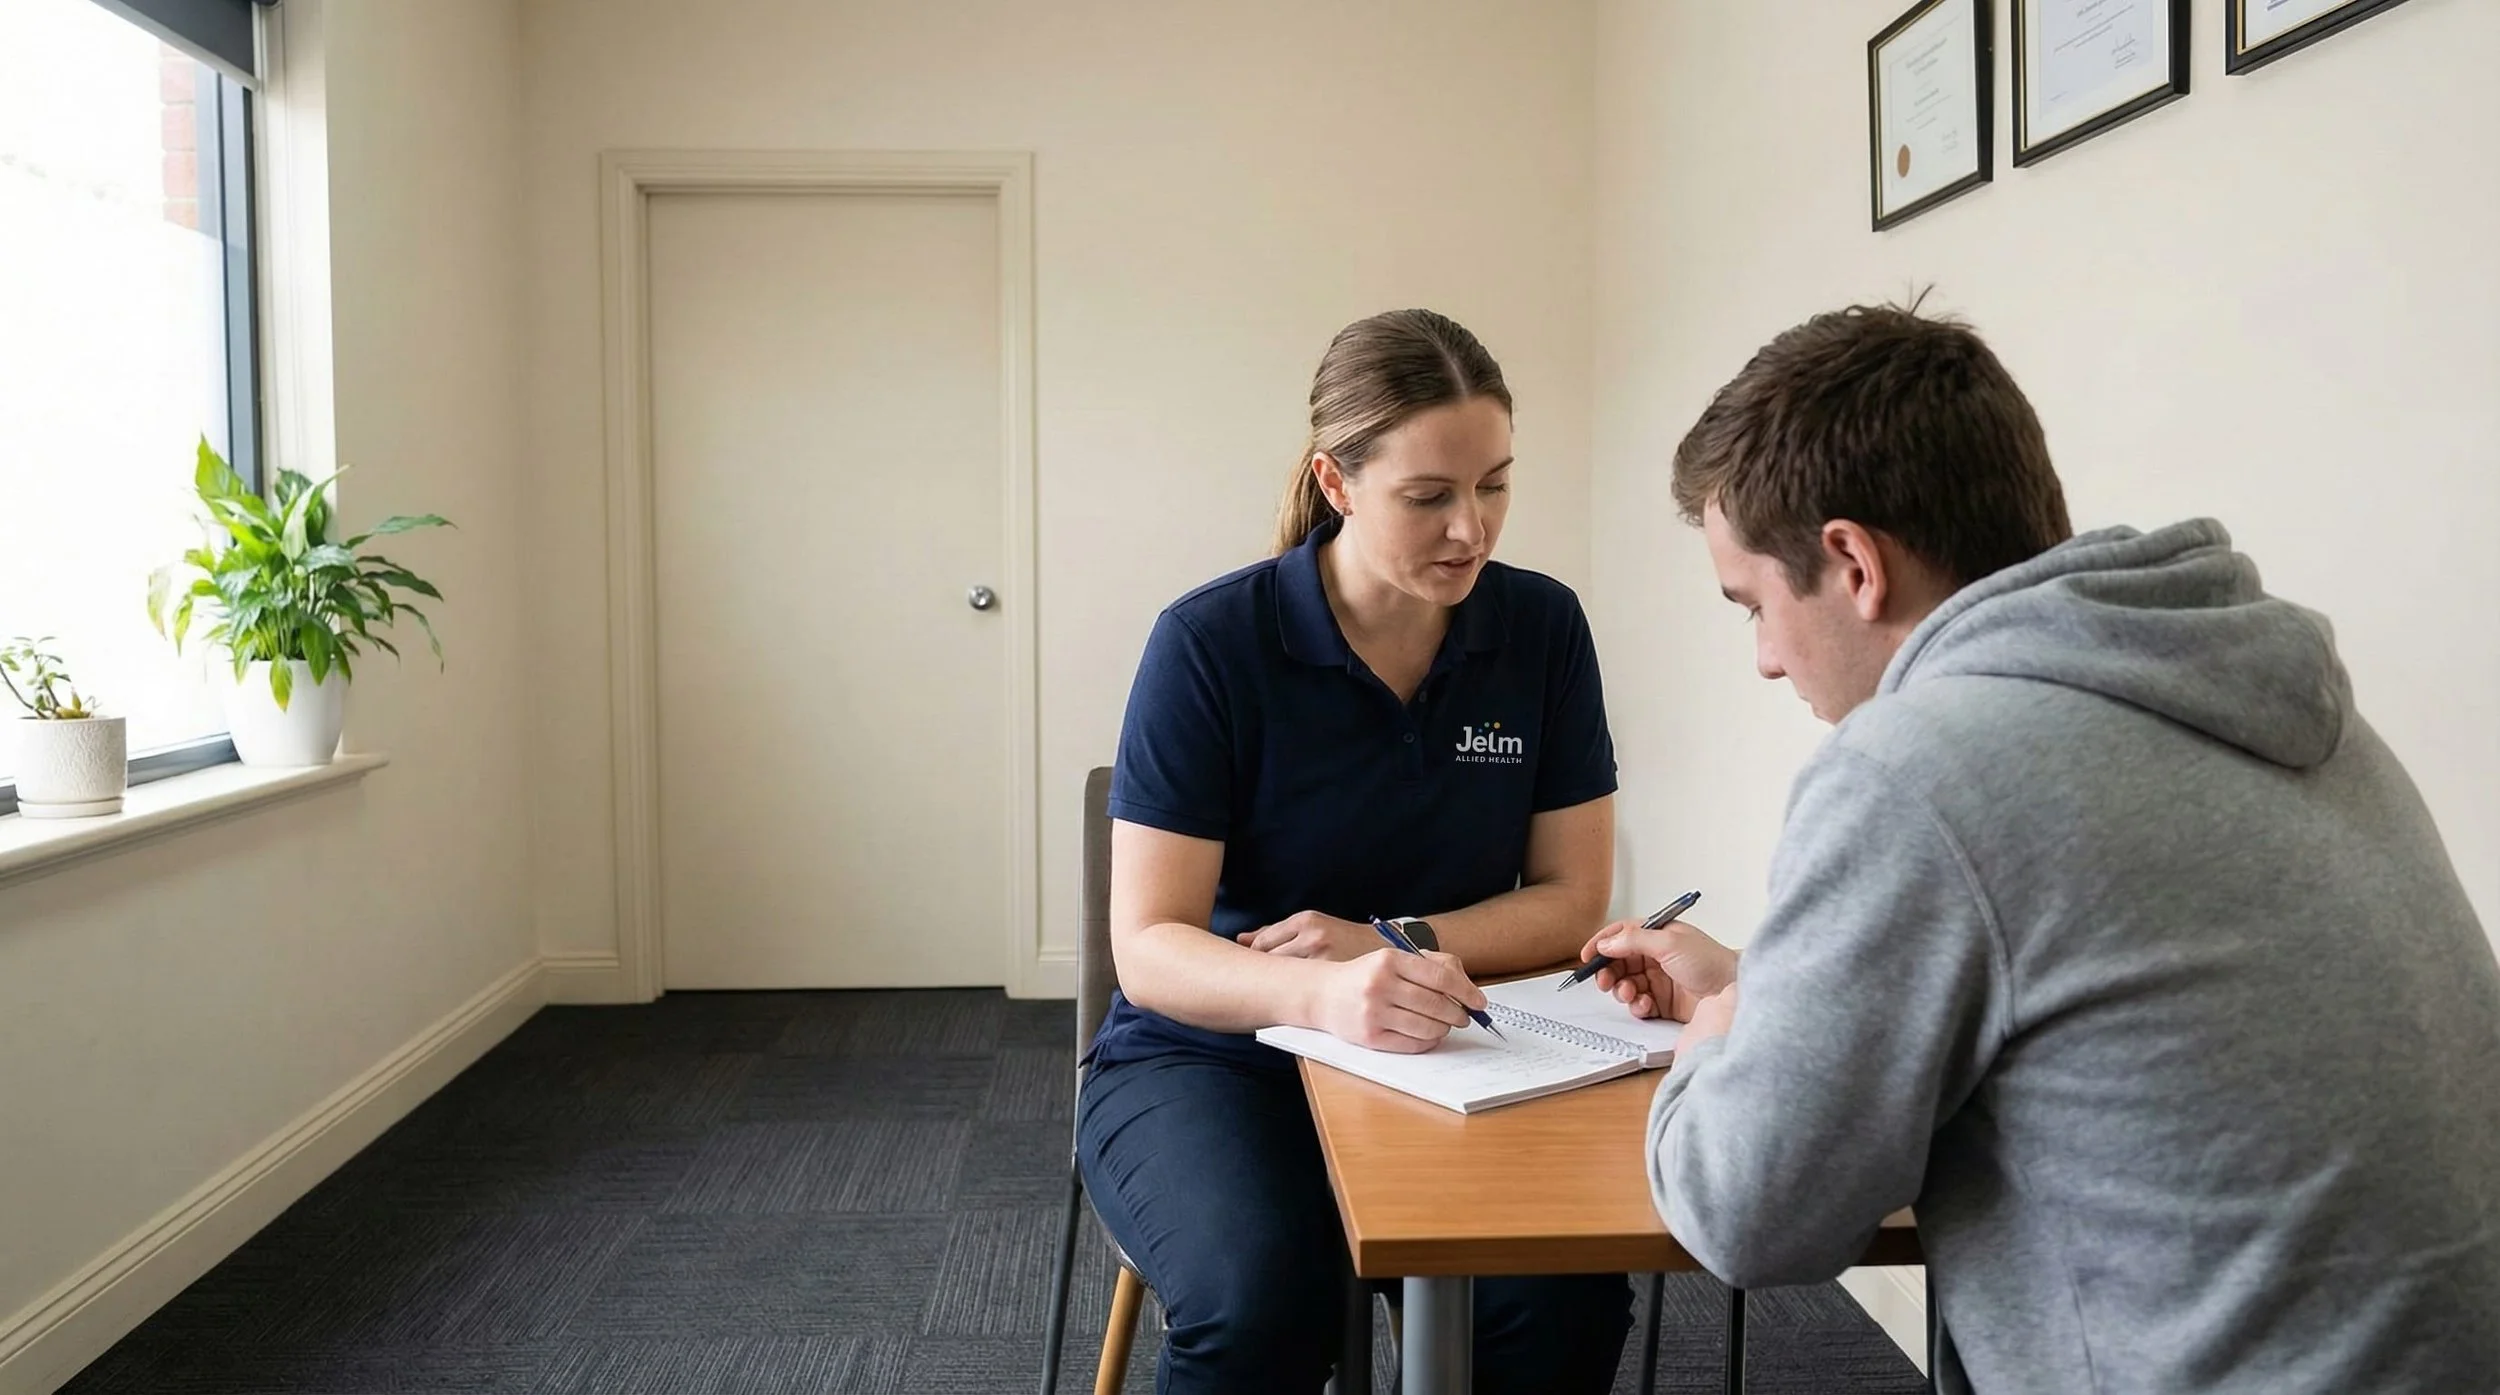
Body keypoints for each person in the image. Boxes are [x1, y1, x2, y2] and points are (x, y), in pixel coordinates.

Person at [1582, 300, 2500, 1392]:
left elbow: (1750, 1212)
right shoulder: (2267, 688)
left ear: (1852, 564)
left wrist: (1718, 1043)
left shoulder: (1914, 761)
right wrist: (1765, 984)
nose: (1767, 662)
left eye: (1752, 607)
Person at [1077, 308, 1633, 1394]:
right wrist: (1326, 995)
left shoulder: (1543, 630)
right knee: (1266, 1303)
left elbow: (1573, 900)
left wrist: (1390, 944)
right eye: (1428, 497)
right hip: (1217, 1054)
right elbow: (1149, 946)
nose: (1470, 530)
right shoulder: (1210, 643)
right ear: (1335, 483)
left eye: (1495, 486)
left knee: (1558, 1300)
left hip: (1458, 1043)